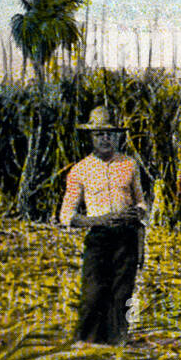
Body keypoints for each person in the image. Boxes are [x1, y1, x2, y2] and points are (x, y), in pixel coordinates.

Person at [59, 106, 147, 344]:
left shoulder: (130, 165)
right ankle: (86, 346)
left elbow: (142, 203)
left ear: (117, 136)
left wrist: (135, 213)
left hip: (126, 237)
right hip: (99, 238)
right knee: (93, 294)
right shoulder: (80, 170)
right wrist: (99, 220)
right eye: (99, 134)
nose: (105, 139)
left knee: (122, 294)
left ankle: (117, 347)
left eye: (110, 134)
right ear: (91, 137)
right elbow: (66, 216)